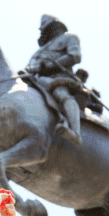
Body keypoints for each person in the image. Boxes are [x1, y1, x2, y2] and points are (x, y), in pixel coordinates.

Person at [24, 15, 84, 145]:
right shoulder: (38, 52)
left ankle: (75, 133)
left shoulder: (69, 37)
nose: (43, 33)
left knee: (60, 93)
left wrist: (47, 66)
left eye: (45, 30)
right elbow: (29, 67)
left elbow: (75, 56)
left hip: (59, 78)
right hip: (36, 81)